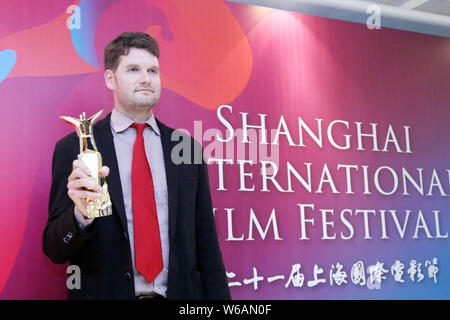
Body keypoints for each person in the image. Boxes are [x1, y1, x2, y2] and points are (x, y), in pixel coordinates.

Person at [42, 32, 231, 300]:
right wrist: (79, 216)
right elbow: (54, 248)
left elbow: (208, 246)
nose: (146, 78)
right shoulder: (74, 149)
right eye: (133, 69)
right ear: (110, 78)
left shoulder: (186, 148)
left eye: (153, 70)